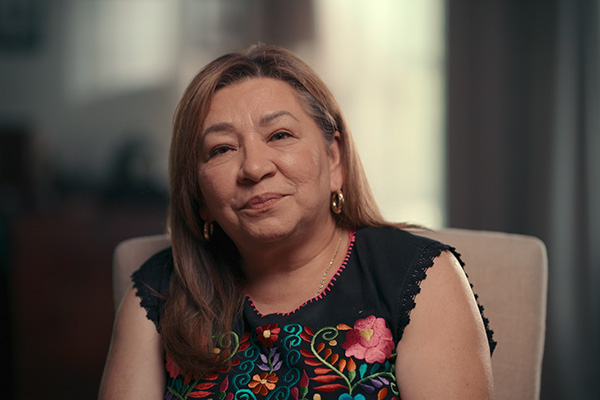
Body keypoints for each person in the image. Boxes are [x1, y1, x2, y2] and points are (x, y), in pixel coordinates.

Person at [99, 44, 496, 400]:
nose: (254, 167)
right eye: (221, 149)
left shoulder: (421, 279)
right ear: (199, 198)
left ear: (334, 159)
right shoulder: (156, 294)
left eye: (280, 135)